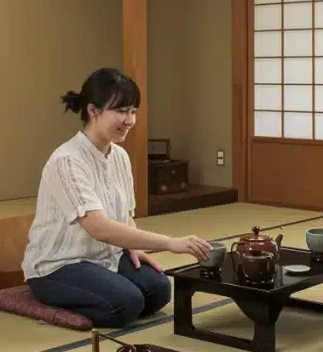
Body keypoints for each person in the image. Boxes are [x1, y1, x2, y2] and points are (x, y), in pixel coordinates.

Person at [23, 67, 212, 328]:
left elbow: (125, 216)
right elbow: (98, 227)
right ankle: (55, 305)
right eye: (121, 111)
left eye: (133, 111)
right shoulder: (67, 161)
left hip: (106, 256)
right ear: (93, 110)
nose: (130, 120)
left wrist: (133, 245)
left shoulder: (120, 156)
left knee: (158, 290)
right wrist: (170, 243)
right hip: (60, 265)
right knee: (126, 304)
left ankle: (105, 291)